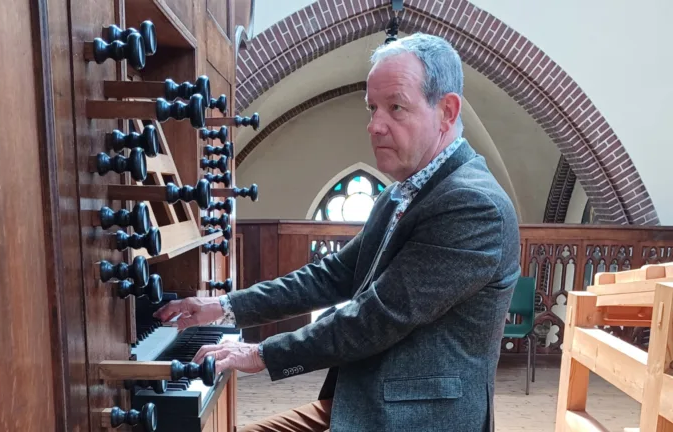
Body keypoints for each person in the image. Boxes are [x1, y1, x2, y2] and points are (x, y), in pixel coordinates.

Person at [154, 32, 521, 432]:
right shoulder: (405, 190)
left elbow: (376, 317)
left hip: (418, 418)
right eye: (373, 108)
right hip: (369, 401)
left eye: (395, 108)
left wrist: (261, 354)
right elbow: (333, 275)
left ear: (447, 111)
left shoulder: (472, 205)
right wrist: (224, 307)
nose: (374, 126)